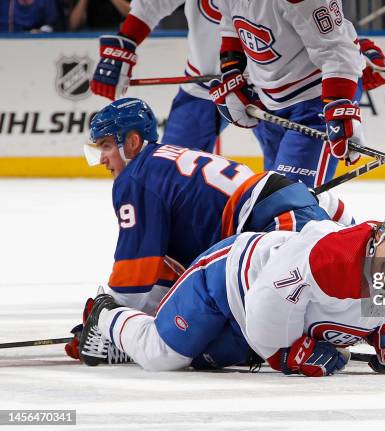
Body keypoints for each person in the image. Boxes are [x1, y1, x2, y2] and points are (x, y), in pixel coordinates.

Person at [64, 97, 353, 360]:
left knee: (228, 340)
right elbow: (162, 277)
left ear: (131, 142)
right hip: (290, 210)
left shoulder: (135, 178)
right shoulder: (162, 164)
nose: (101, 159)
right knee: (339, 282)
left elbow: (134, 273)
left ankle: (376, 324)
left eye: (105, 146)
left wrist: (106, 324)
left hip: (272, 227)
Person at [78, 200, 385, 375]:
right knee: (162, 355)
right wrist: (286, 353)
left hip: (256, 317)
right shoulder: (327, 259)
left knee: (201, 361)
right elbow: (268, 303)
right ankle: (106, 313)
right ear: (380, 235)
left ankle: (146, 330)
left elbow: (383, 312)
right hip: (225, 280)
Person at [209, 0, 385, 188]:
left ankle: (357, 51)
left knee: (286, 200)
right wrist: (233, 71)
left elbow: (335, 49)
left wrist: (339, 102)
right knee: (272, 196)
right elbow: (231, 26)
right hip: (266, 102)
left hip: (315, 101)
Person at [88, 0, 226, 152]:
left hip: (255, 81)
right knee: (172, 168)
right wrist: (125, 43)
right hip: (202, 86)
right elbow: (152, 3)